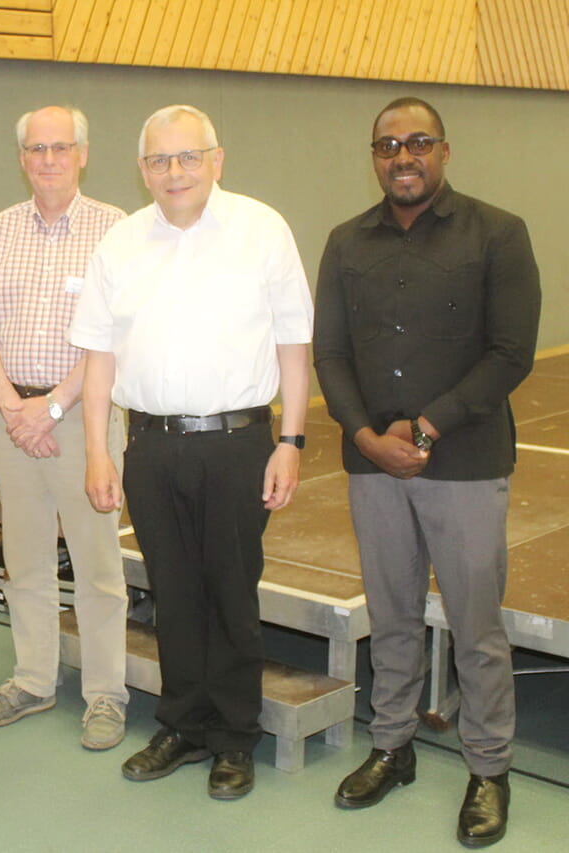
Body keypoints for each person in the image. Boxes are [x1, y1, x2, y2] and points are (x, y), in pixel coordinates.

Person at [314, 97, 540, 848]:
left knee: (476, 625)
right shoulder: (346, 242)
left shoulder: (499, 233)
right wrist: (365, 434)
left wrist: (428, 424)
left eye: (416, 143)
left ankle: (488, 766)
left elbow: (511, 352)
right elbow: (331, 354)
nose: (401, 156)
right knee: (393, 614)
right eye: (386, 145)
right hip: (372, 462)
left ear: (443, 150)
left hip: (465, 462)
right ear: (372, 155)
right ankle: (392, 746)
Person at [70, 104, 312, 799]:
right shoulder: (119, 244)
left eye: (187, 157)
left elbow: (295, 345)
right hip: (150, 445)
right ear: (142, 168)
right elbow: (98, 360)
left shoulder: (262, 230)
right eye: (159, 160)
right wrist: (98, 450)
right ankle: (181, 722)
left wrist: (290, 441)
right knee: (171, 592)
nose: (173, 172)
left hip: (238, 444)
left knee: (229, 593)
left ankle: (234, 736)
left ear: (217, 159)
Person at [0, 106, 129, 749]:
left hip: (84, 420)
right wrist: (11, 408)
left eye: (61, 147)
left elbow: (112, 338)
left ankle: (106, 696)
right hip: (12, 421)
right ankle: (33, 679)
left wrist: (51, 408)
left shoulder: (116, 230)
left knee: (97, 567)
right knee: (24, 563)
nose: (48, 159)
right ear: (21, 157)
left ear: (83, 154)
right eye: (36, 148)